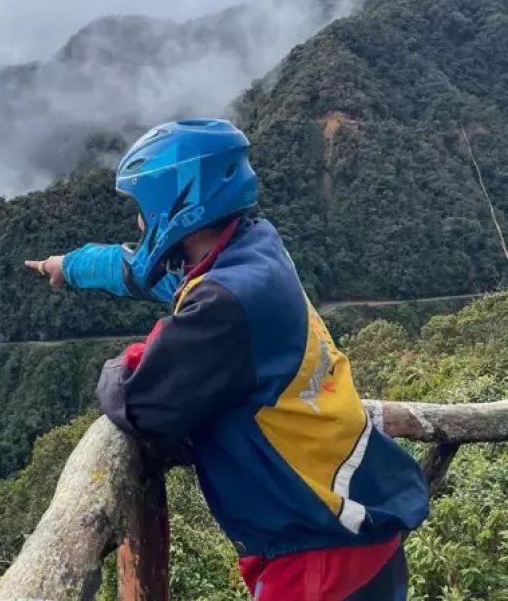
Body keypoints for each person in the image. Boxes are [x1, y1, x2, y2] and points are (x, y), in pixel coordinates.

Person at [25, 118, 428, 600]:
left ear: (173, 205)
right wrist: (68, 267)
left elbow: (143, 403)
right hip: (353, 519)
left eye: (141, 209)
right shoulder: (252, 249)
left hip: (319, 552)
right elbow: (146, 272)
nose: (138, 222)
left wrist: (123, 363)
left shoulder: (226, 302)